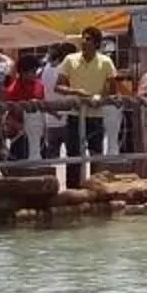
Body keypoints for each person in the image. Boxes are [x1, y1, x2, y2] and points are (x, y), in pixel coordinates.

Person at [59, 30, 116, 186]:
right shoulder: (70, 60)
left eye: (88, 39)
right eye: (83, 39)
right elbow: (59, 86)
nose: (84, 42)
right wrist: (77, 92)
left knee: (96, 154)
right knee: (74, 155)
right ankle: (73, 190)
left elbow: (112, 88)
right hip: (75, 114)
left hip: (96, 115)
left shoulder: (106, 62)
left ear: (97, 43)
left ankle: (96, 190)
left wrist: (100, 98)